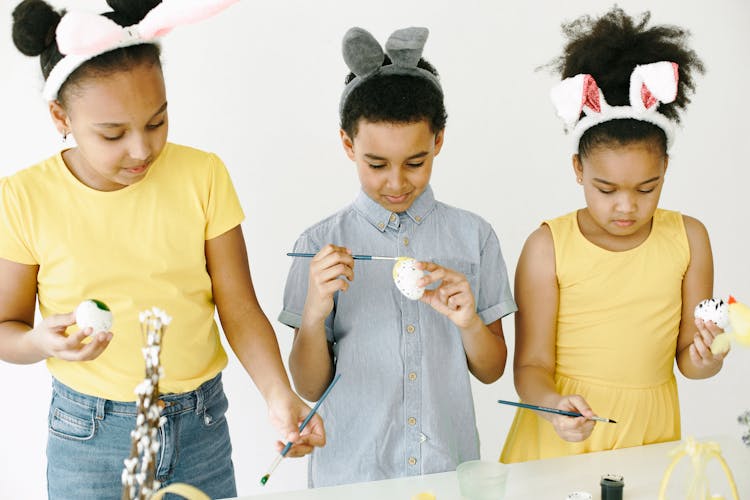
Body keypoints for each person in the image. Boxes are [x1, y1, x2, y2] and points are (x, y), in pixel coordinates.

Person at [0, 1, 324, 497]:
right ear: (59, 116)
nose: (141, 150)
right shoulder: (24, 198)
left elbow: (237, 305)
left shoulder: (203, 175)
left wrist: (279, 396)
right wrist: (40, 343)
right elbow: (7, 328)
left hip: (200, 426)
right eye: (112, 134)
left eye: (157, 122)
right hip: (90, 435)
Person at [279, 26, 516, 487]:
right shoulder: (318, 245)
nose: (396, 182)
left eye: (415, 162)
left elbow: (492, 370)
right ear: (349, 146)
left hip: (448, 474)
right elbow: (308, 387)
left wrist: (468, 321)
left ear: (438, 142)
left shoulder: (475, 237)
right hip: (352, 477)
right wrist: (313, 313)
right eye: (376, 164)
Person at [500, 6, 726, 463]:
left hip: (650, 438)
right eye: (606, 189)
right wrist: (553, 407)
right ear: (578, 169)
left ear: (665, 168)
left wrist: (708, 359)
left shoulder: (690, 239)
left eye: (647, 188)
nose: (627, 206)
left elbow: (689, 356)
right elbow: (530, 366)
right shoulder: (548, 248)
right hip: (561, 441)